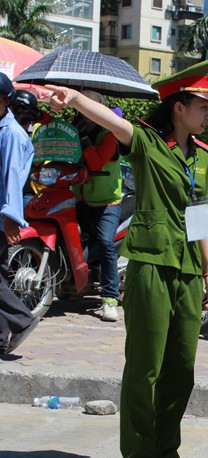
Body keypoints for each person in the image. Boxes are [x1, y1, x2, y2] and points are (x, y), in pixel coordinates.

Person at [46, 59, 208, 458]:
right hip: (150, 264)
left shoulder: (200, 156)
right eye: (201, 105)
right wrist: (74, 98)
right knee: (145, 366)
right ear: (178, 107)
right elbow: (110, 119)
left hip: (188, 272)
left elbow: (199, 215)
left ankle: (166, 453)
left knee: (182, 368)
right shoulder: (145, 141)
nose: (207, 113)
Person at [70, 90, 123, 322]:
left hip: (107, 202)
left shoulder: (110, 133)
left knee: (105, 244)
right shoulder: (73, 129)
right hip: (80, 198)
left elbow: (96, 162)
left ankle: (110, 298)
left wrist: (83, 140)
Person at [0, 73, 37, 354]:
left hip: (3, 215)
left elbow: (13, 176)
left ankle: (22, 319)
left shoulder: (11, 133)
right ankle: (1, 339)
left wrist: (11, 217)